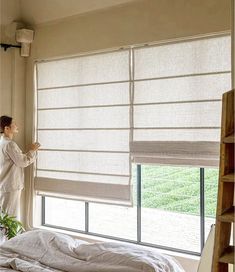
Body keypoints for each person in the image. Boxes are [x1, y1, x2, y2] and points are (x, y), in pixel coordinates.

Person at [0, 115, 40, 219]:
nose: (17, 125)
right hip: (11, 186)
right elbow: (23, 162)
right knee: (9, 218)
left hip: (5, 185)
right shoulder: (10, 144)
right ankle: (10, 236)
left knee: (5, 217)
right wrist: (32, 150)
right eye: (14, 124)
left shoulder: (2, 142)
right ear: (6, 128)